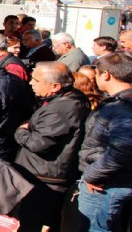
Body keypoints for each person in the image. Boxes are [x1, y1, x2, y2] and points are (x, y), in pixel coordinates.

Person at [14, 62, 91, 231]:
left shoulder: (61, 108)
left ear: (55, 86)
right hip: (45, 173)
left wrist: (20, 131)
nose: (30, 83)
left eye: (36, 80)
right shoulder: (68, 99)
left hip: (46, 178)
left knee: (34, 223)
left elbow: (38, 143)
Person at [77, 51, 132, 232]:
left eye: (97, 73)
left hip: (106, 185)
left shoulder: (124, 108)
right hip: (112, 181)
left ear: (106, 75)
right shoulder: (121, 103)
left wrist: (92, 175)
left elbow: (124, 150)